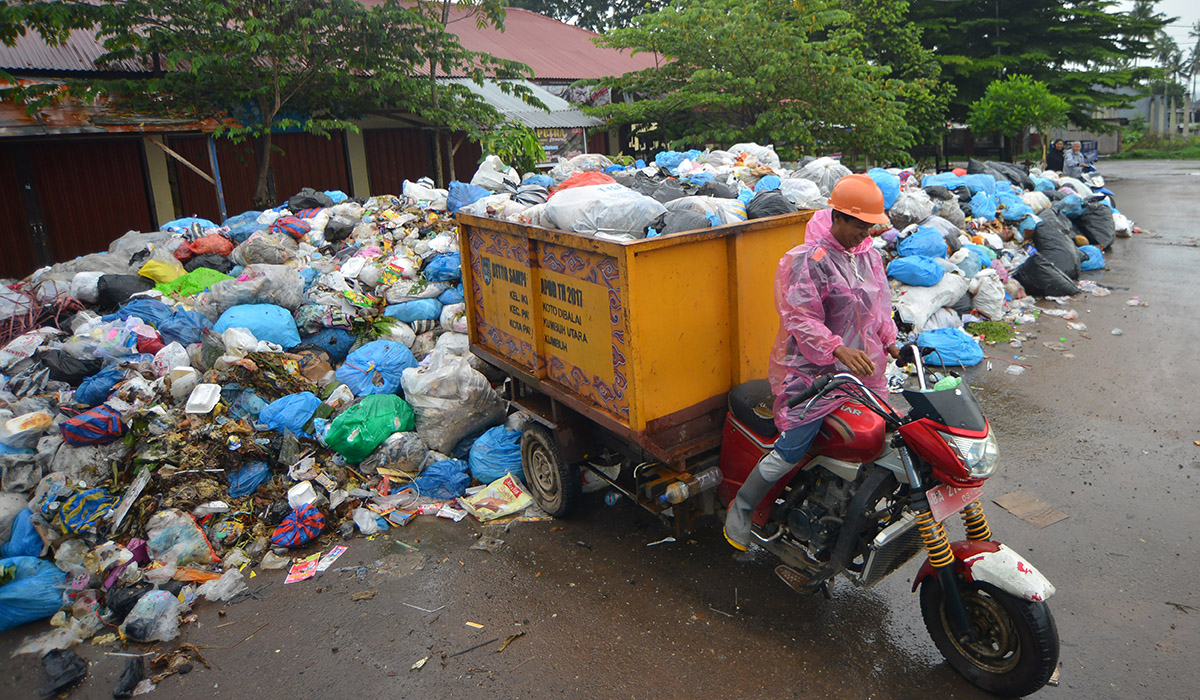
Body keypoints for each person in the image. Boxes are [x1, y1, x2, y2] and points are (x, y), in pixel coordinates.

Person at [724, 173, 899, 551]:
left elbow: (878, 309)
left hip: (860, 370)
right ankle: (741, 507)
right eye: (859, 225)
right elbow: (801, 319)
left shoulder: (867, 254)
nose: (865, 232)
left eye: (870, 226)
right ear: (838, 217)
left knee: (880, 434)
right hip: (812, 372)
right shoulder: (807, 260)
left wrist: (891, 341)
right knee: (792, 448)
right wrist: (837, 349)